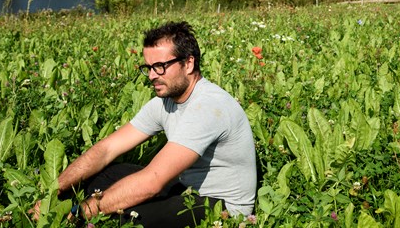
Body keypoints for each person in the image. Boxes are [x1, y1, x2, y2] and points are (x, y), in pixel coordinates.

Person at [36, 21, 257, 227]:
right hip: (186, 189)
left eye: (160, 66)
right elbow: (106, 149)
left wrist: (82, 211)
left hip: (222, 207)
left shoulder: (208, 106)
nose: (152, 75)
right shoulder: (165, 102)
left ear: (188, 63)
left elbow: (152, 181)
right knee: (103, 175)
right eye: (148, 67)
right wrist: (52, 193)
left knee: (126, 217)